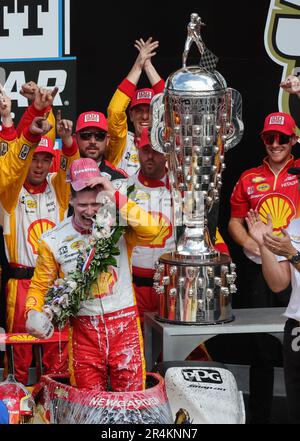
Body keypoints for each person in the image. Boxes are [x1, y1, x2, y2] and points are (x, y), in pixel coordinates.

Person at [25, 157, 170, 391]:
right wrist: (31, 311)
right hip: (83, 333)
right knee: (89, 407)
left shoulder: (119, 225)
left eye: (96, 204)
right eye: (82, 205)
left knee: (130, 404)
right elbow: (40, 285)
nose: (90, 212)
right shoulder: (52, 239)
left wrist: (115, 195)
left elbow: (153, 231)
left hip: (124, 326)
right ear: (71, 199)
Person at [0, 86, 78, 385]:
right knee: (19, 353)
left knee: (55, 351)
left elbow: (71, 168)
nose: (39, 165)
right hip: (20, 283)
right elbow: (12, 164)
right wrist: (15, 123)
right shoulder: (10, 193)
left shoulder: (58, 190)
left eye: (45, 159)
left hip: (53, 283)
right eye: (34, 158)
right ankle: (18, 403)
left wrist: (69, 144)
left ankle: (53, 407)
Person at [227, 111, 300, 423]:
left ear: (294, 140)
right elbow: (234, 221)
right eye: (269, 138)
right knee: (260, 347)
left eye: (282, 138)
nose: (275, 144)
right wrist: (246, 242)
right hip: (260, 266)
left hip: (296, 264)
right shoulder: (248, 177)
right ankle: (259, 416)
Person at [129, 128, 230, 329]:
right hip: (133, 290)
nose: (149, 156)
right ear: (136, 149)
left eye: (155, 151)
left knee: (176, 353)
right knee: (138, 353)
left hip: (172, 288)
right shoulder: (123, 188)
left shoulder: (187, 189)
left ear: (168, 151)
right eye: (144, 150)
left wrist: (221, 257)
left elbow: (208, 234)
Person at [245, 188, 300, 423]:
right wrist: (264, 244)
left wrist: (292, 255)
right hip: (297, 328)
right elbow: (279, 284)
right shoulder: (295, 226)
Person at [106, 37, 165, 176]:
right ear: (131, 115)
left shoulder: (166, 141)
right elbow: (115, 111)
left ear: (158, 113)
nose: (144, 116)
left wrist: (148, 67)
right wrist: (138, 66)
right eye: (139, 111)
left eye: (149, 111)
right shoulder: (122, 142)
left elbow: (172, 107)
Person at [58, 110, 127, 181]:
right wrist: (66, 138)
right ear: (75, 138)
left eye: (99, 136)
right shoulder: (65, 170)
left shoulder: (118, 178)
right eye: (86, 135)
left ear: (107, 140)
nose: (92, 141)